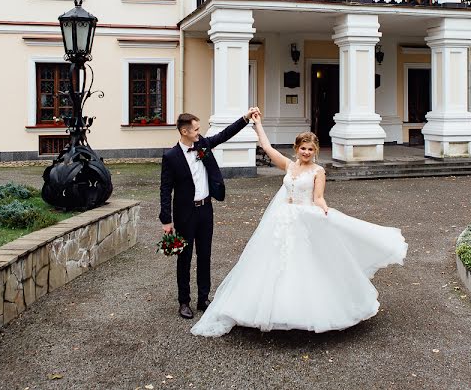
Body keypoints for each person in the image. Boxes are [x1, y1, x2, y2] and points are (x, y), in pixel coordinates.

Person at [191, 113, 408, 336]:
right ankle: (271, 309)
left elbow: (318, 197)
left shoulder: (318, 171)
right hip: (281, 219)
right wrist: (257, 124)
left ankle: (305, 311)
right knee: (271, 263)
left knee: (305, 263)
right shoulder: (289, 165)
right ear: (297, 148)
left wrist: (323, 208)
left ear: (315, 151)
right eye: (303, 148)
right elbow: (266, 147)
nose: (306, 152)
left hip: (303, 218)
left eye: (310, 149)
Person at [160, 108, 260, 319]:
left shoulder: (203, 145)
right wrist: (166, 219)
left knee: (205, 256)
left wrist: (245, 118)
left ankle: (203, 299)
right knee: (184, 258)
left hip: (206, 210)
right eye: (196, 129)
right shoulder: (170, 157)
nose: (199, 132)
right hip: (184, 214)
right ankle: (184, 302)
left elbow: (224, 135)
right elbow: (165, 189)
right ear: (184, 131)